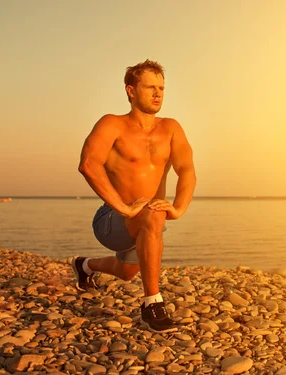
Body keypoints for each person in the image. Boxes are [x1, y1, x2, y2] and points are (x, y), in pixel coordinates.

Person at [73, 59, 196, 332]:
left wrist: (178, 208)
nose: (157, 93)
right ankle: (152, 305)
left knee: (128, 271)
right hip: (113, 216)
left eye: (161, 88)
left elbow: (187, 169)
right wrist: (124, 208)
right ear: (131, 90)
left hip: (146, 222)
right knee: (153, 214)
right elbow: (88, 165)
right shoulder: (112, 124)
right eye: (150, 87)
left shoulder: (171, 128)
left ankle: (85, 266)